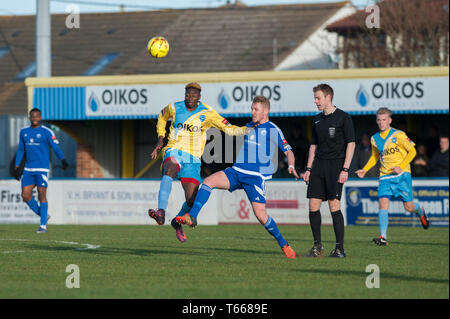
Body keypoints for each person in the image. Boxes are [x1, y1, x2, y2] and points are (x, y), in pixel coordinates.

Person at [176, 96, 299, 259]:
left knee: (261, 215)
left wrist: (291, 165)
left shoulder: (273, 129)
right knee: (207, 182)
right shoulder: (248, 126)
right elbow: (230, 129)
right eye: (252, 108)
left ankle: (284, 245)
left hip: (254, 177)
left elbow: (288, 151)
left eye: (256, 109)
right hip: (236, 171)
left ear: (266, 111)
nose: (252, 112)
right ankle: (192, 216)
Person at [148, 82, 250, 242]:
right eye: (188, 94)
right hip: (173, 150)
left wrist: (247, 129)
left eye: (194, 95)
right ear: (185, 94)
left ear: (199, 97)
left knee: (191, 199)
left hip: (192, 159)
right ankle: (161, 211)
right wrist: (161, 138)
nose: (190, 97)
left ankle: (177, 221)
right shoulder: (174, 107)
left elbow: (229, 129)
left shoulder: (208, 112)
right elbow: (162, 116)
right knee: (169, 168)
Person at [356, 107, 429, 246]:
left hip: (402, 175)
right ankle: (383, 237)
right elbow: (375, 156)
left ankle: (420, 211)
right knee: (383, 204)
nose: (381, 122)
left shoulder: (399, 135)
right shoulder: (374, 139)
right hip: (385, 176)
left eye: (384, 120)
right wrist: (364, 170)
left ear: (389, 120)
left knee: (409, 207)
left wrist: (401, 166)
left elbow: (412, 152)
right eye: (379, 120)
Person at [303, 84, 355, 258]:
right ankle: (317, 246)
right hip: (318, 165)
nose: (316, 101)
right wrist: (309, 168)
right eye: (315, 98)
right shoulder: (316, 119)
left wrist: (345, 169)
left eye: (318, 98)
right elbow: (313, 145)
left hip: (336, 166)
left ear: (328, 97)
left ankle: (340, 248)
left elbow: (351, 144)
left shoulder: (343, 117)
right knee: (313, 205)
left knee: (334, 205)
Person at [14, 108, 69, 233]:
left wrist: (63, 159)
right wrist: (17, 166)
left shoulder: (47, 132)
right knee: (25, 195)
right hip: (28, 169)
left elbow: (55, 147)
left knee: (41, 193)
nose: (34, 118)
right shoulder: (23, 132)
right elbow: (21, 149)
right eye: (32, 116)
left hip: (42, 169)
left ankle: (43, 225)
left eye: (37, 116)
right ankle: (44, 215)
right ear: (29, 117)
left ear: (40, 117)